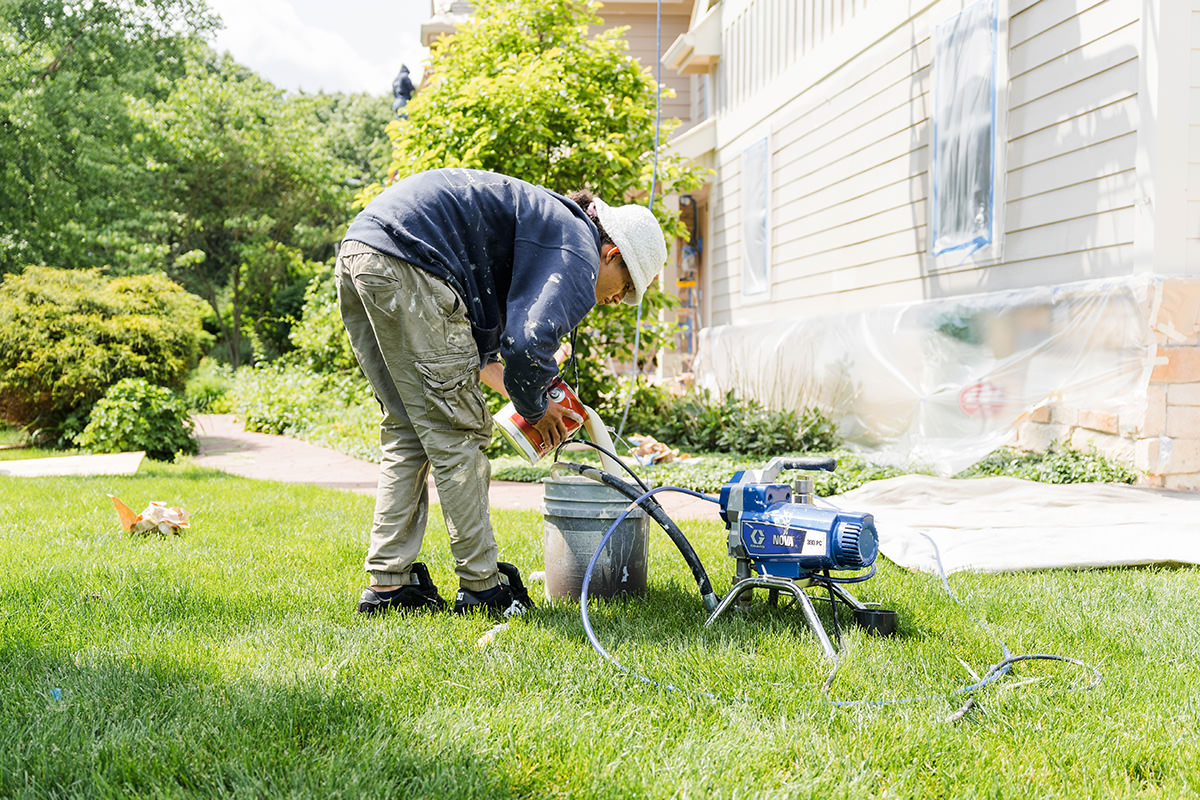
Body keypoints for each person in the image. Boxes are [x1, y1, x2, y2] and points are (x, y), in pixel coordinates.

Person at [336, 167, 667, 618]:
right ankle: (483, 589)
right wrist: (538, 406)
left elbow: (489, 360)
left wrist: (536, 388)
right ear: (610, 254)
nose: (616, 299)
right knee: (461, 433)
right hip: (409, 261)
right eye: (625, 287)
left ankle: (389, 585)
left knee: (408, 428)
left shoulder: (549, 225)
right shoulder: (579, 247)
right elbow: (529, 346)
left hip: (365, 251)